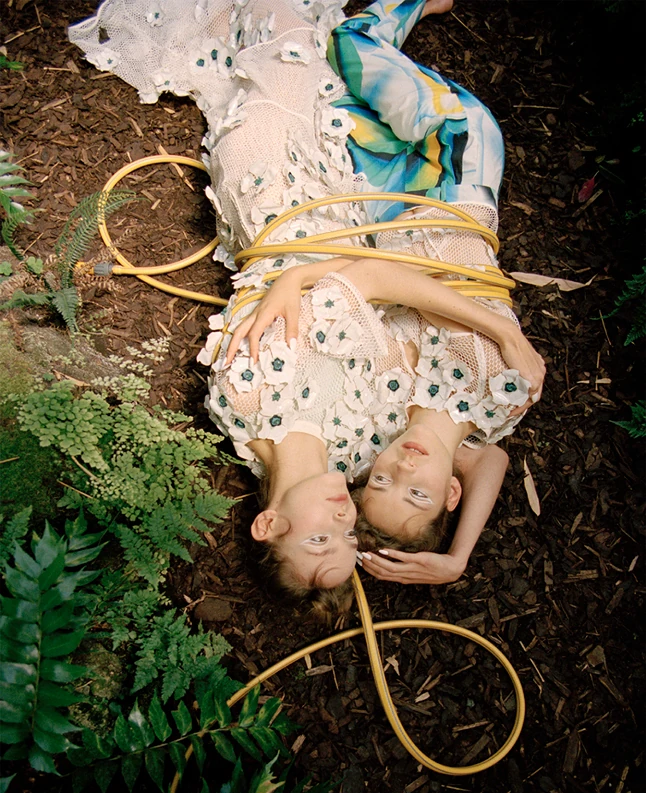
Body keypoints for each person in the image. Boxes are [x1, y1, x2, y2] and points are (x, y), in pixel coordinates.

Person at [69, 0, 544, 607]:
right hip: (353, 203)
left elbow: (370, 285)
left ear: (267, 524)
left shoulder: (242, 399)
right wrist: (457, 556)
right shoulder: (362, 446)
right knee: (324, 68)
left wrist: (294, 278)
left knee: (279, 40)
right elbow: (479, 456)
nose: (345, 517)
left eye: (322, 537)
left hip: (273, 194)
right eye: (348, 534)